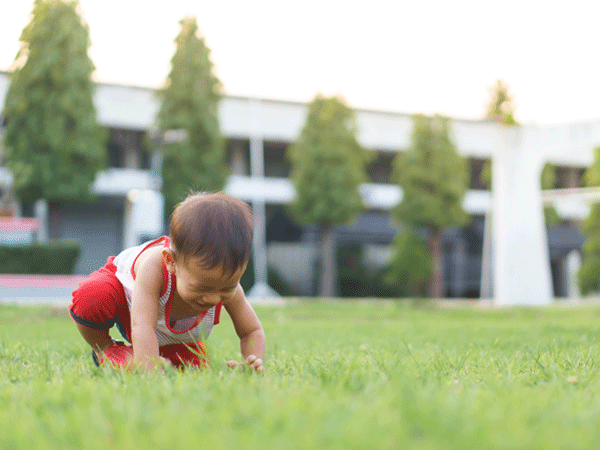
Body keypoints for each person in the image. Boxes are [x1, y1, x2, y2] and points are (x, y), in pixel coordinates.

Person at [69, 191, 265, 372]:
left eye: (226, 288)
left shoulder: (221, 280)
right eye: (202, 287)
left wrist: (252, 362)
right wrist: (150, 371)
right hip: (128, 304)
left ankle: (163, 356)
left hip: (172, 333)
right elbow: (142, 326)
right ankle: (105, 350)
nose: (214, 298)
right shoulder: (153, 268)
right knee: (93, 295)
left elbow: (252, 330)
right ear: (171, 261)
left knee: (190, 369)